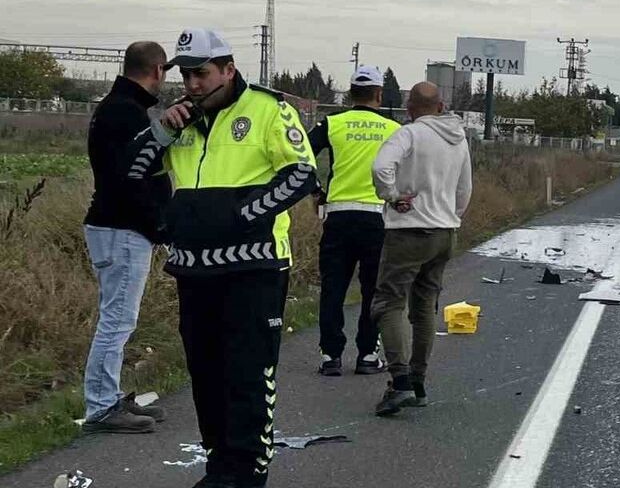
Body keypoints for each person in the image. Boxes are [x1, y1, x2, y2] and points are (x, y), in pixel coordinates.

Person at [124, 28, 317, 488]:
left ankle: (248, 471)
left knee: (247, 374)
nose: (192, 83)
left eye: (201, 73)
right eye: (185, 74)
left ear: (228, 70)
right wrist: (163, 132)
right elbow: (130, 172)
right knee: (206, 374)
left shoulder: (269, 110)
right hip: (194, 268)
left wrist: (243, 215)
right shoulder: (180, 121)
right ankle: (220, 467)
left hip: (254, 265)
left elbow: (302, 174)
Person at [81, 41, 172, 434]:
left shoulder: (115, 107)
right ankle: (101, 407)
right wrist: (158, 227)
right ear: (157, 70)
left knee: (116, 317)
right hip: (123, 228)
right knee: (117, 320)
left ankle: (108, 396)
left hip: (114, 225)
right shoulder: (129, 114)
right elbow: (133, 181)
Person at [369, 81, 472, 416]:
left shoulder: (409, 134)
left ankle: (399, 383)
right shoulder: (458, 138)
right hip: (445, 232)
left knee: (389, 302)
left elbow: (380, 167)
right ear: (441, 106)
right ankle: (418, 381)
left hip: (410, 231)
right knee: (424, 307)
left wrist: (392, 195)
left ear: (410, 108)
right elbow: (464, 189)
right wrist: (450, 215)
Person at [308, 66, 399, 377]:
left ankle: (330, 356)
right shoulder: (392, 128)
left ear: (349, 94)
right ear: (378, 93)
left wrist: (316, 190)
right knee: (373, 289)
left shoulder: (332, 123)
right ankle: (367, 355)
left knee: (333, 287)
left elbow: (300, 154)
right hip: (377, 218)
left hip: (339, 215)